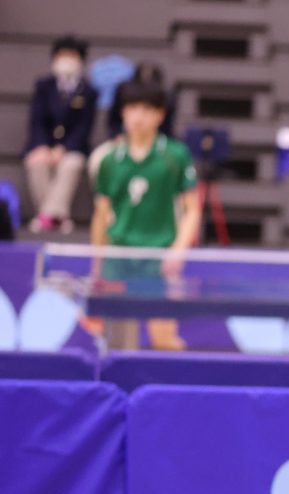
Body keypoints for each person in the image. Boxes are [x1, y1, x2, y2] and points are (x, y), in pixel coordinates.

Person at [92, 81, 200, 351]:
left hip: (158, 258)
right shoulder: (109, 159)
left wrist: (178, 250)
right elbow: (102, 214)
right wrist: (97, 262)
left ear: (159, 115)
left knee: (163, 340)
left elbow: (192, 210)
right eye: (132, 109)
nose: (138, 116)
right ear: (123, 113)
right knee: (115, 345)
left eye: (146, 109)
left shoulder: (175, 155)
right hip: (118, 258)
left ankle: (177, 391)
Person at [23, 35, 97, 234]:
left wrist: (64, 148)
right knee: (36, 162)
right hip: (44, 145)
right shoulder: (43, 86)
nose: (66, 60)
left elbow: (84, 126)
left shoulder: (88, 91)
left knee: (71, 164)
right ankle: (57, 217)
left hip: (72, 147)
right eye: (62, 55)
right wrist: (42, 146)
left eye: (71, 56)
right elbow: (36, 120)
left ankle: (47, 216)